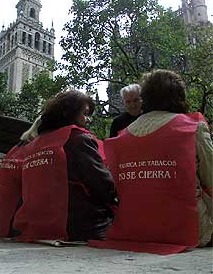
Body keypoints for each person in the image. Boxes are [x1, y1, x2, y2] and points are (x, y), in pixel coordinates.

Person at [90, 70, 213, 254]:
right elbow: (210, 176)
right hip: (188, 229)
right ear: (179, 96)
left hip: (135, 229)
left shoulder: (123, 135)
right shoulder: (192, 127)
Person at [0, 90, 118, 242]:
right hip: (79, 227)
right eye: (85, 113)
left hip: (34, 227)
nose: (88, 120)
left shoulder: (33, 145)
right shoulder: (79, 138)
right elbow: (103, 184)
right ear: (69, 112)